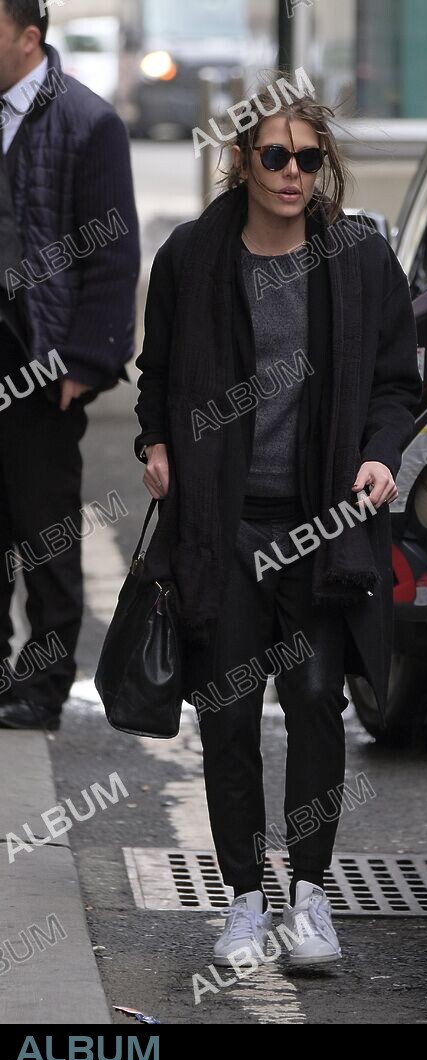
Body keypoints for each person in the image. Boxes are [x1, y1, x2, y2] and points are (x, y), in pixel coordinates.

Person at [134, 83, 420, 966]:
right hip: (221, 529)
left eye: (308, 158)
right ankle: (245, 901)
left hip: (321, 527)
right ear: (242, 162)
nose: (293, 174)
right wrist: (154, 441)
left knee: (313, 704)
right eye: (275, 157)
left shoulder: (361, 259)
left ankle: (309, 894)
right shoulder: (191, 257)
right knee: (225, 717)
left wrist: (380, 451)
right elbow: (156, 377)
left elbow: (395, 384)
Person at [0, 1, 140, 731]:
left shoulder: (88, 121)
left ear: (28, 37)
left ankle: (44, 682)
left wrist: (85, 360)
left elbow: (115, 256)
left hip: (42, 358)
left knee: (44, 529)